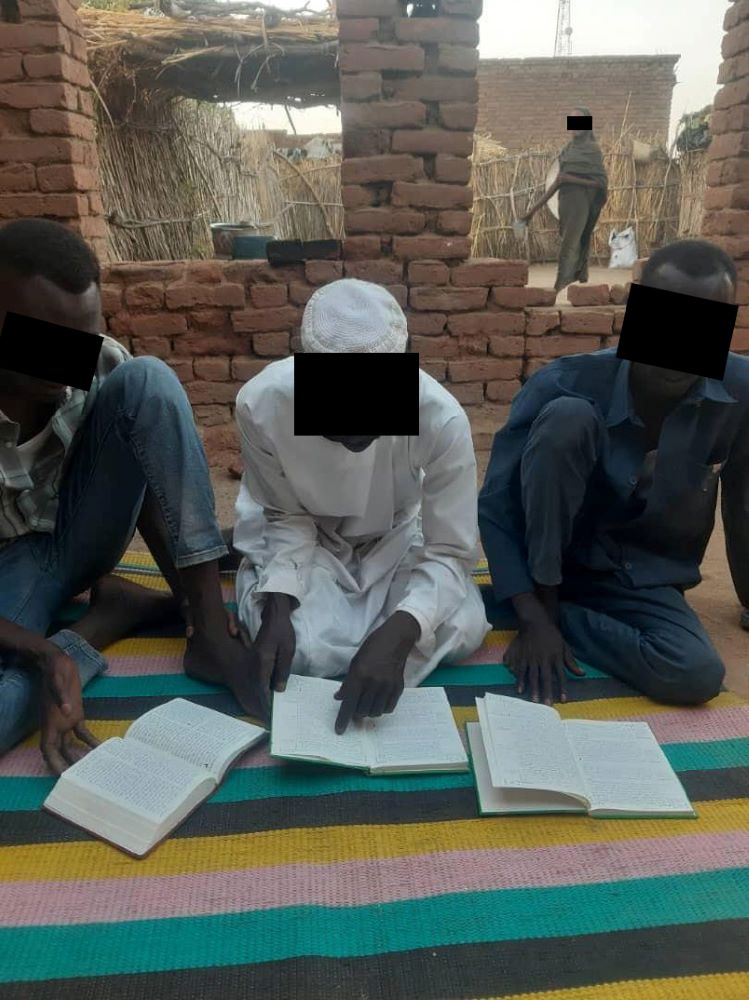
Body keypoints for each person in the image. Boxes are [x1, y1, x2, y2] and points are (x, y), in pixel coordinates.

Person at [0, 219, 265, 774]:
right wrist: (44, 651)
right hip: (10, 575)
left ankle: (207, 628)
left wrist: (200, 614)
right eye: (48, 342)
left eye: (85, 337)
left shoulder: (101, 365)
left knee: (150, 380)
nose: (72, 363)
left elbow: (148, 476)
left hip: (77, 541)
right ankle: (108, 619)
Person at [479, 238, 749, 707]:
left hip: (639, 579)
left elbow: (745, 502)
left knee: (696, 673)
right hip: (548, 565)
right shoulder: (564, 381)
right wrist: (532, 608)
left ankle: (546, 614)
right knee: (568, 418)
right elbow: (497, 505)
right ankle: (538, 603)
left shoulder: (740, 393)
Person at [232, 278, 490, 733]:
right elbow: (287, 517)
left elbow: (450, 550)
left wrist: (400, 630)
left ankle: (373, 657)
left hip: (394, 539)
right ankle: (361, 660)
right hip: (310, 543)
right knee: (299, 650)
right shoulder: (262, 404)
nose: (351, 431)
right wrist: (278, 607)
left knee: (465, 624)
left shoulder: (441, 418)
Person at [522, 105, 608, 293]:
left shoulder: (592, 150)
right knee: (570, 241)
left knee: (569, 243)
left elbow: (601, 183)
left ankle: (559, 284)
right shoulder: (568, 149)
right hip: (565, 203)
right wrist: (531, 211)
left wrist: (572, 179)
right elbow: (558, 182)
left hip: (581, 203)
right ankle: (581, 278)